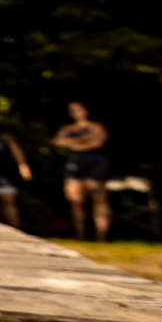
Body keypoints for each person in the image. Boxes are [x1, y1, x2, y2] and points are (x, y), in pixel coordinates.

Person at [54, 101, 111, 241]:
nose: (76, 113)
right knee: (75, 200)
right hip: (74, 164)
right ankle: (80, 234)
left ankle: (101, 236)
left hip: (94, 164)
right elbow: (57, 142)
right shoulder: (68, 128)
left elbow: (97, 143)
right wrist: (84, 141)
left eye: (79, 109)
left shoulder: (96, 127)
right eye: (73, 110)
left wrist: (72, 143)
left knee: (99, 200)